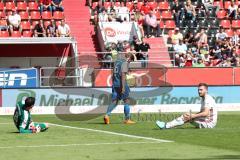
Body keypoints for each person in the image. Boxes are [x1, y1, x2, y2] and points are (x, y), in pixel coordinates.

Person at [104, 53, 135, 124]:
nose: (129, 62)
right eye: (130, 61)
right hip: (122, 84)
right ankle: (127, 119)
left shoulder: (117, 62)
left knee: (114, 101)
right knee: (126, 100)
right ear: (129, 58)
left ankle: (107, 115)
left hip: (115, 84)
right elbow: (123, 76)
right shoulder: (125, 63)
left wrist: (114, 83)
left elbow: (113, 74)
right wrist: (123, 87)